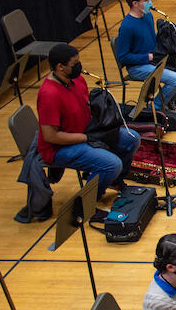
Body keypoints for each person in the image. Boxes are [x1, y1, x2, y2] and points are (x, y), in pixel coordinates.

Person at [36, 43, 139, 213]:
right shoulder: (49, 95)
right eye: (74, 63)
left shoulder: (76, 79)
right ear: (60, 67)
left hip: (88, 132)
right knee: (112, 164)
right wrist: (85, 138)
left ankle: (113, 181)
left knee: (132, 138)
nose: (79, 66)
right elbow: (50, 136)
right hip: (60, 147)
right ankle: (86, 203)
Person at [114, 0, 176, 110]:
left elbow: (151, 38)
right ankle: (156, 108)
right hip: (138, 66)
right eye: (146, 0)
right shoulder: (127, 26)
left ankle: (169, 100)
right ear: (135, 4)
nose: (150, 3)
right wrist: (147, 57)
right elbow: (122, 56)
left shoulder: (148, 15)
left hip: (156, 59)